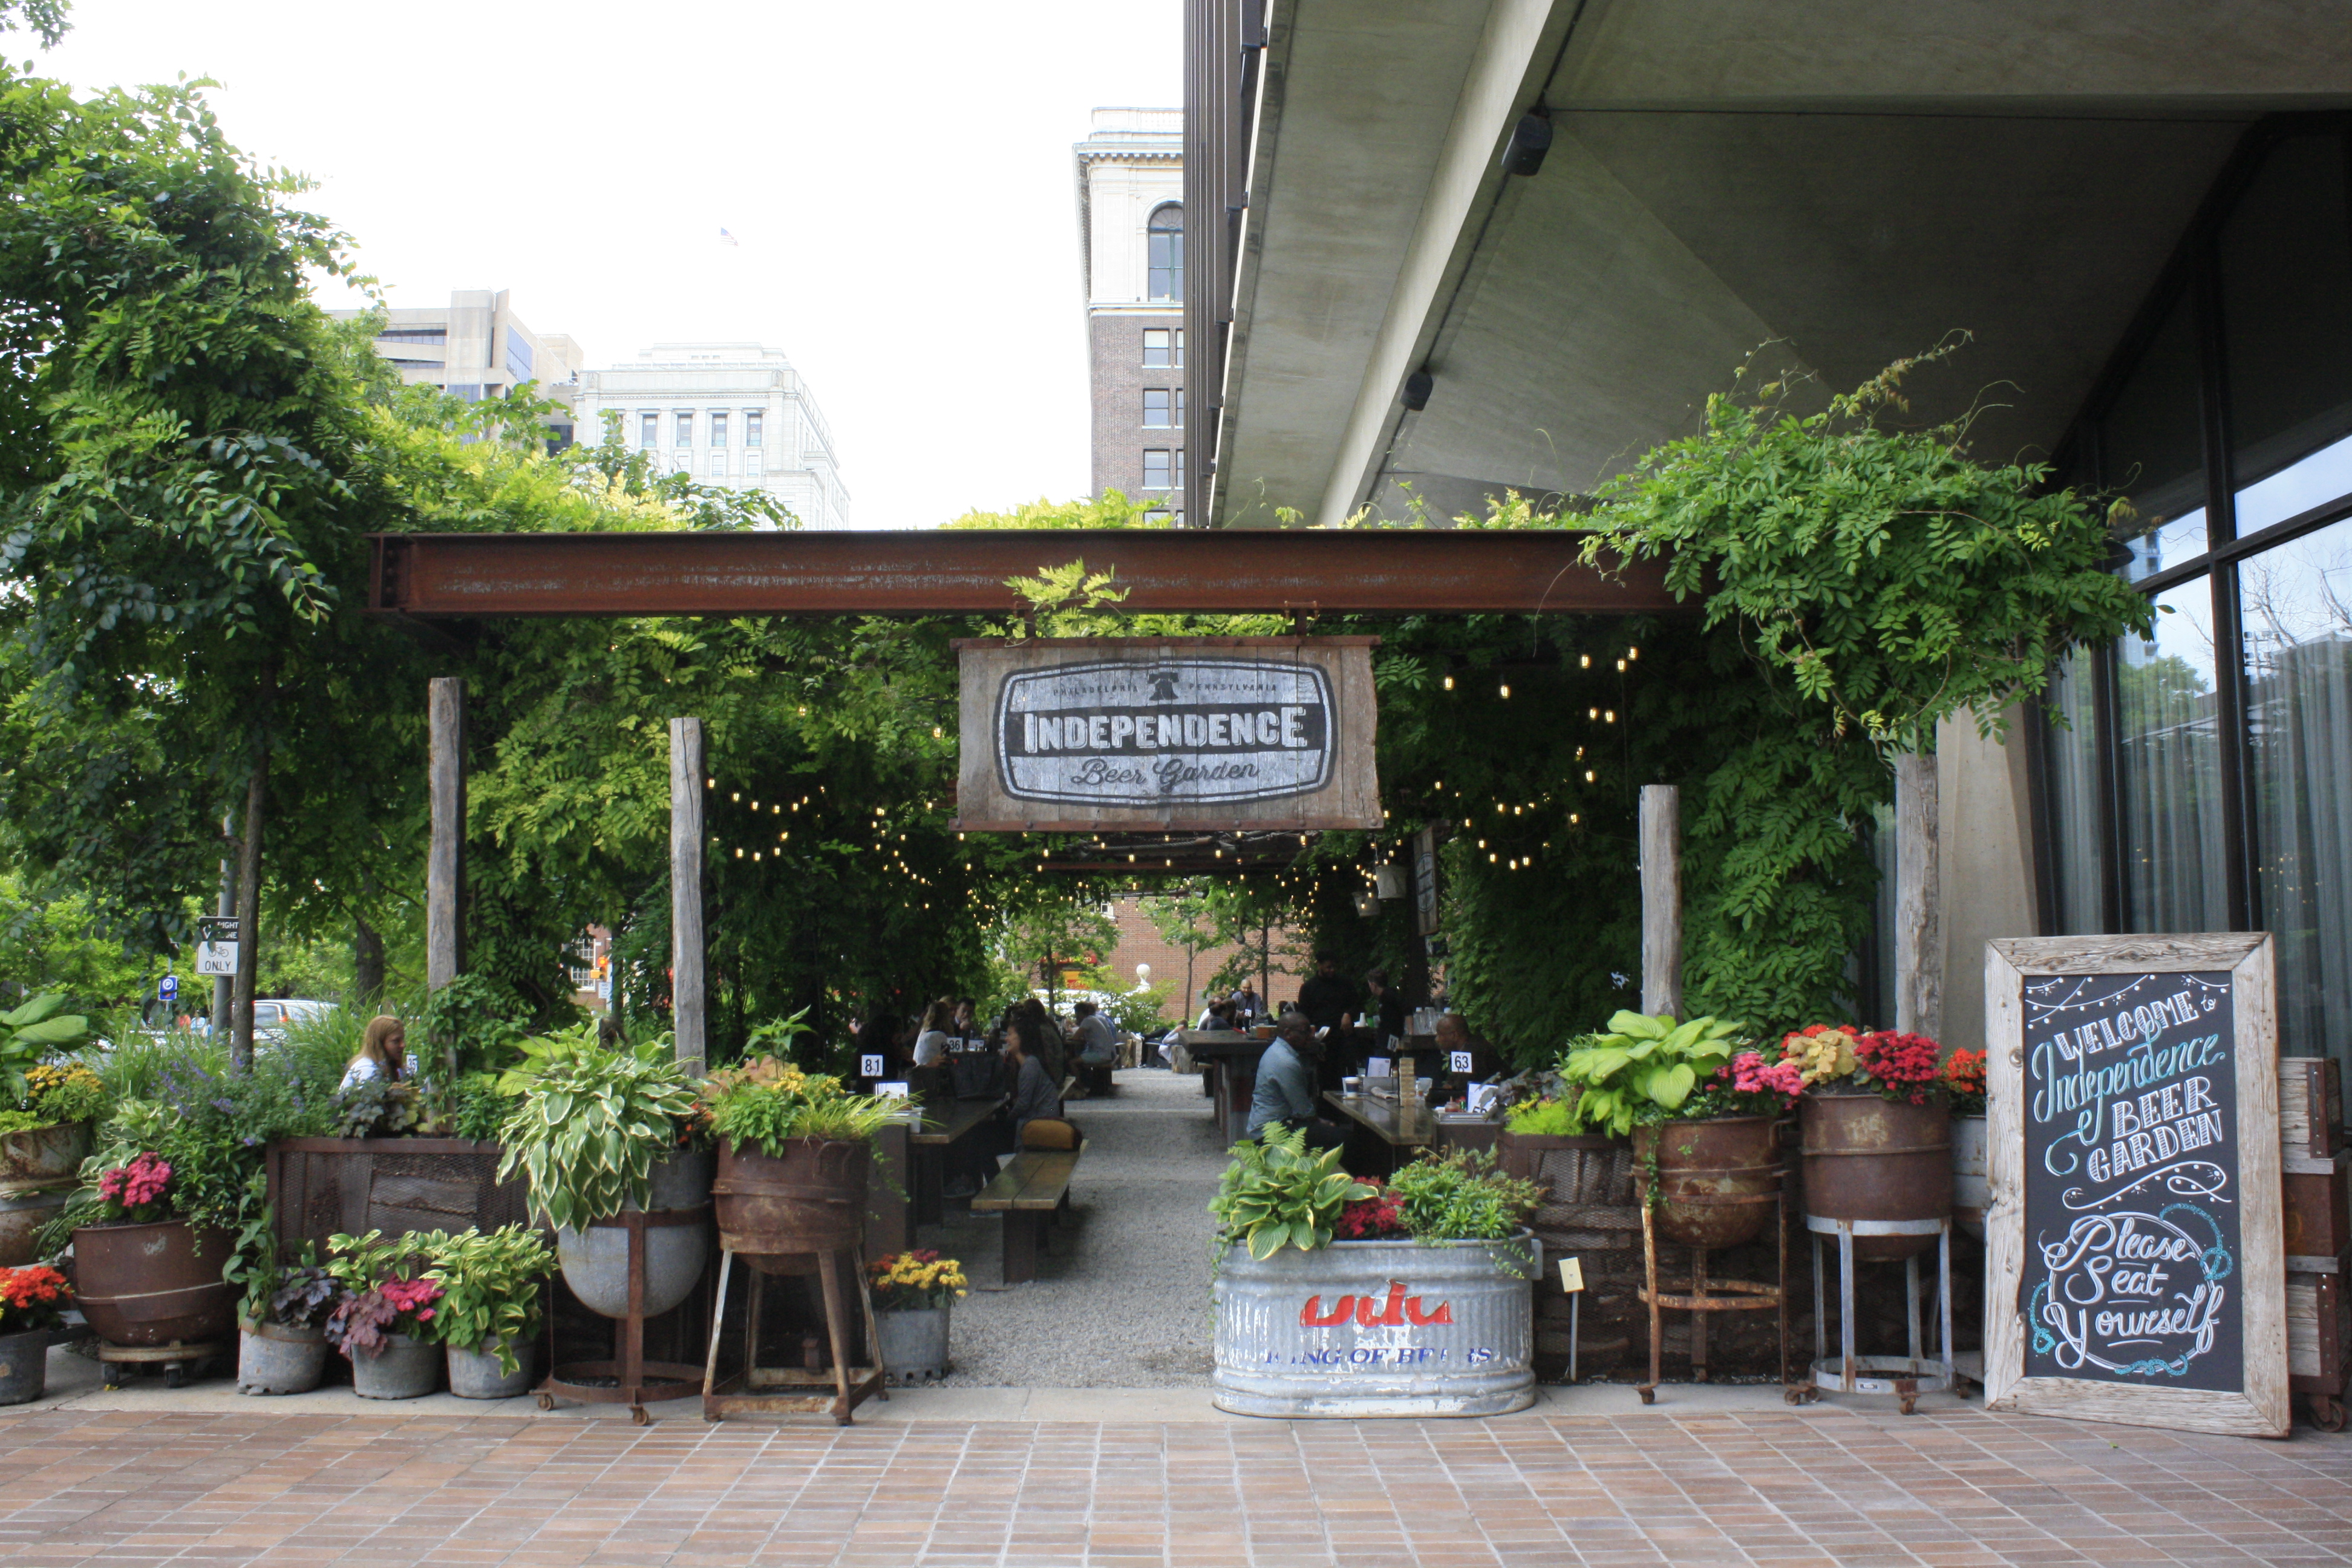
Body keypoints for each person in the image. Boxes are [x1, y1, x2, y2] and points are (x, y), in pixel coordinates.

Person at [1244, 1016, 1345, 1149]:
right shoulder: (1286, 1062)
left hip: (1265, 1126)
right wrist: (1320, 1122)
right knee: (1344, 1138)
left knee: (1331, 1132)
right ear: (1288, 1033)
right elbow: (1303, 1110)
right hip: (1271, 1132)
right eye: (1305, 1032)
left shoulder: (1277, 1050)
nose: (1310, 1036)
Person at [1003, 1014, 1065, 1143]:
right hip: (1044, 1116)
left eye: (1009, 1034)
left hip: (1041, 1122)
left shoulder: (1030, 1065)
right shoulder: (1032, 1062)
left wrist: (1008, 1118)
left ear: (1022, 1038)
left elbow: (1024, 1104)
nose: (1006, 1039)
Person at [341, 1015, 407, 1091]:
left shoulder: (388, 1067)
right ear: (380, 1043)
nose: (403, 1045)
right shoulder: (368, 1071)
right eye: (396, 1041)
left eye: (403, 1039)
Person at [1363, 969, 1407, 1053]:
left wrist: (1411, 1032)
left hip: (1390, 1037)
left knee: (1385, 1058)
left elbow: (1406, 1008)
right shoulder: (1385, 996)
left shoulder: (1389, 995)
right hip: (1388, 1037)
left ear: (1373, 985)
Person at [1073, 999, 1120, 1065]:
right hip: (1107, 1052)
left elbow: (1075, 1038)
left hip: (1101, 1054)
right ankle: (1086, 1074)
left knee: (1072, 1062)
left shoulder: (1088, 1020)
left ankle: (1081, 1075)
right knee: (1081, 1057)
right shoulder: (1093, 1019)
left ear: (1080, 1013)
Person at [912, 1000, 955, 1068]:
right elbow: (946, 1058)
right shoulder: (939, 1035)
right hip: (928, 1073)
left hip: (917, 1071)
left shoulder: (923, 1032)